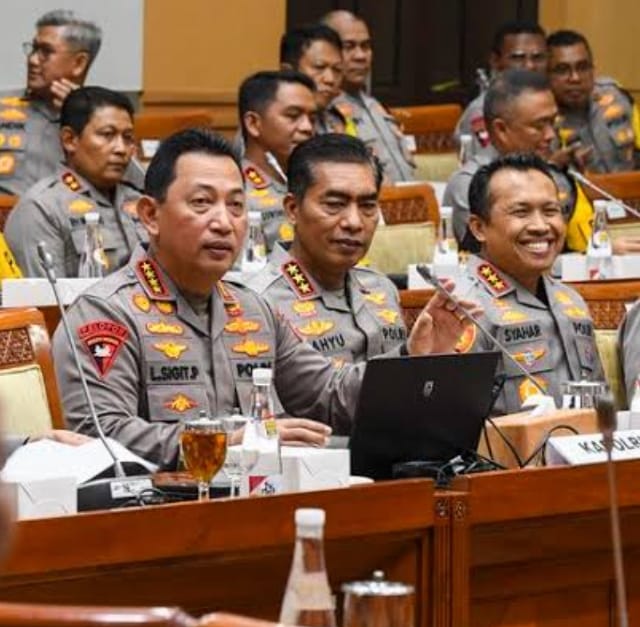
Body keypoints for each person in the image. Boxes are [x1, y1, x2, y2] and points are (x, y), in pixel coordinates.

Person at [52, 128, 478, 468]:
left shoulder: (252, 308)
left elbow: (328, 396)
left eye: (236, 206)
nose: (223, 222)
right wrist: (230, 441)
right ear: (150, 215)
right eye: (202, 203)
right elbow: (102, 435)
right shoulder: (106, 313)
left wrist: (412, 359)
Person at [454, 153, 603, 416]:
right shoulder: (463, 306)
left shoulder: (571, 300)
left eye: (551, 211)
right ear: (478, 228)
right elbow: (452, 426)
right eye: (521, 212)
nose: (541, 226)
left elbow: (600, 403)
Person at [247, 134, 404, 365]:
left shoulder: (382, 288)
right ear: (293, 209)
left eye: (367, 206)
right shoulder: (260, 302)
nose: (354, 222)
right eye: (334, 205)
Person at [443, 69, 594, 253]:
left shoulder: (553, 175)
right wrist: (582, 259)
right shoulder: (470, 184)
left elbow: (573, 242)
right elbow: (497, 260)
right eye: (539, 125)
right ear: (501, 129)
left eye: (552, 123)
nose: (550, 135)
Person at [5, 87, 146, 277]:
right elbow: (47, 295)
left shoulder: (139, 201)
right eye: (107, 134)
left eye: (128, 138)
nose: (121, 149)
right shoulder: (42, 208)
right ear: (69, 140)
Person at [0, 9, 143, 196]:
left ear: (79, 63)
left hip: (77, 212)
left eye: (45, 52)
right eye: (34, 49)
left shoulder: (105, 117)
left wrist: (79, 112)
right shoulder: (3, 106)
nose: (33, 60)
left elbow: (140, 187)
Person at [322, 10, 414, 183]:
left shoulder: (376, 106)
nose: (361, 56)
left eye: (365, 46)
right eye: (349, 46)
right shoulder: (326, 112)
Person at [239, 70, 317, 253]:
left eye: (312, 119)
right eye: (293, 116)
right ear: (253, 123)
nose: (307, 127)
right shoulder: (236, 191)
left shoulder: (311, 181)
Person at [547, 30, 640, 174]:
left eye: (583, 67)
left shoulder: (615, 97)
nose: (575, 78)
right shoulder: (541, 123)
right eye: (562, 70)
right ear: (545, 74)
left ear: (593, 70)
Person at [455, 20, 547, 156]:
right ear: (495, 61)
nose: (530, 66)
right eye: (518, 58)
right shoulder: (484, 111)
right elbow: (487, 166)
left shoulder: (547, 104)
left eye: (538, 58)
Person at [280, 24, 355, 136]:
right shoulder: (271, 121)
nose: (330, 79)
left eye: (337, 69)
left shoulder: (338, 121)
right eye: (319, 67)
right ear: (287, 71)